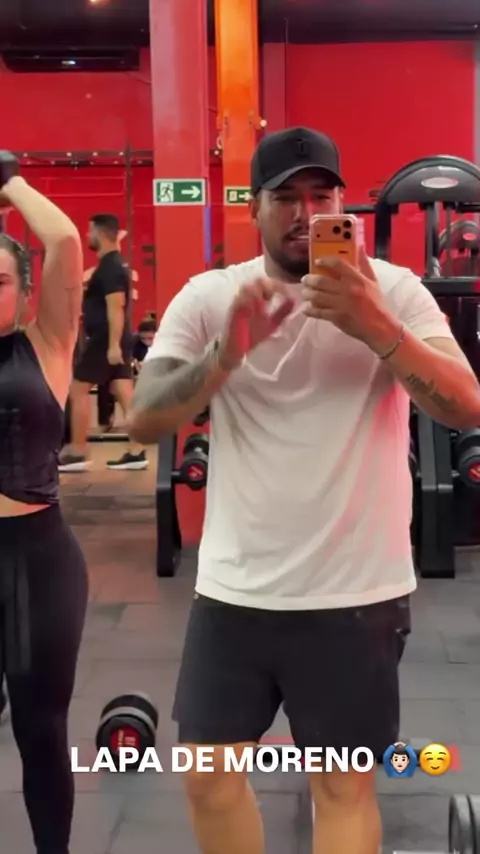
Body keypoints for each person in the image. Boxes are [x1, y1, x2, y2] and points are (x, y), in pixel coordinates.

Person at [127, 127, 480, 854]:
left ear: (342, 204)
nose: (305, 212)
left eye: (321, 195)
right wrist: (226, 353)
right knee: (207, 776)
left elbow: (464, 405)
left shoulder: (395, 291)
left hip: (355, 592)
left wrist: (375, 326)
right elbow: (144, 419)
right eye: (285, 197)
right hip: (235, 590)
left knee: (342, 788)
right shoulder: (210, 296)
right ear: (253, 209)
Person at [0, 153, 88, 854]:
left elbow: (62, 240)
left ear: (26, 292)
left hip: (36, 560)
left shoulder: (46, 343)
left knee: (41, 730)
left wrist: (10, 180)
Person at [58, 213, 148, 471]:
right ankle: (137, 449)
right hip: (112, 338)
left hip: (105, 339)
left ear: (100, 233)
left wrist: (112, 345)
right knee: (123, 391)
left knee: (78, 389)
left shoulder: (110, 267)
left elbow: (116, 306)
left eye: (90, 231)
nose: (87, 236)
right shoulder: (112, 265)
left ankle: (77, 450)